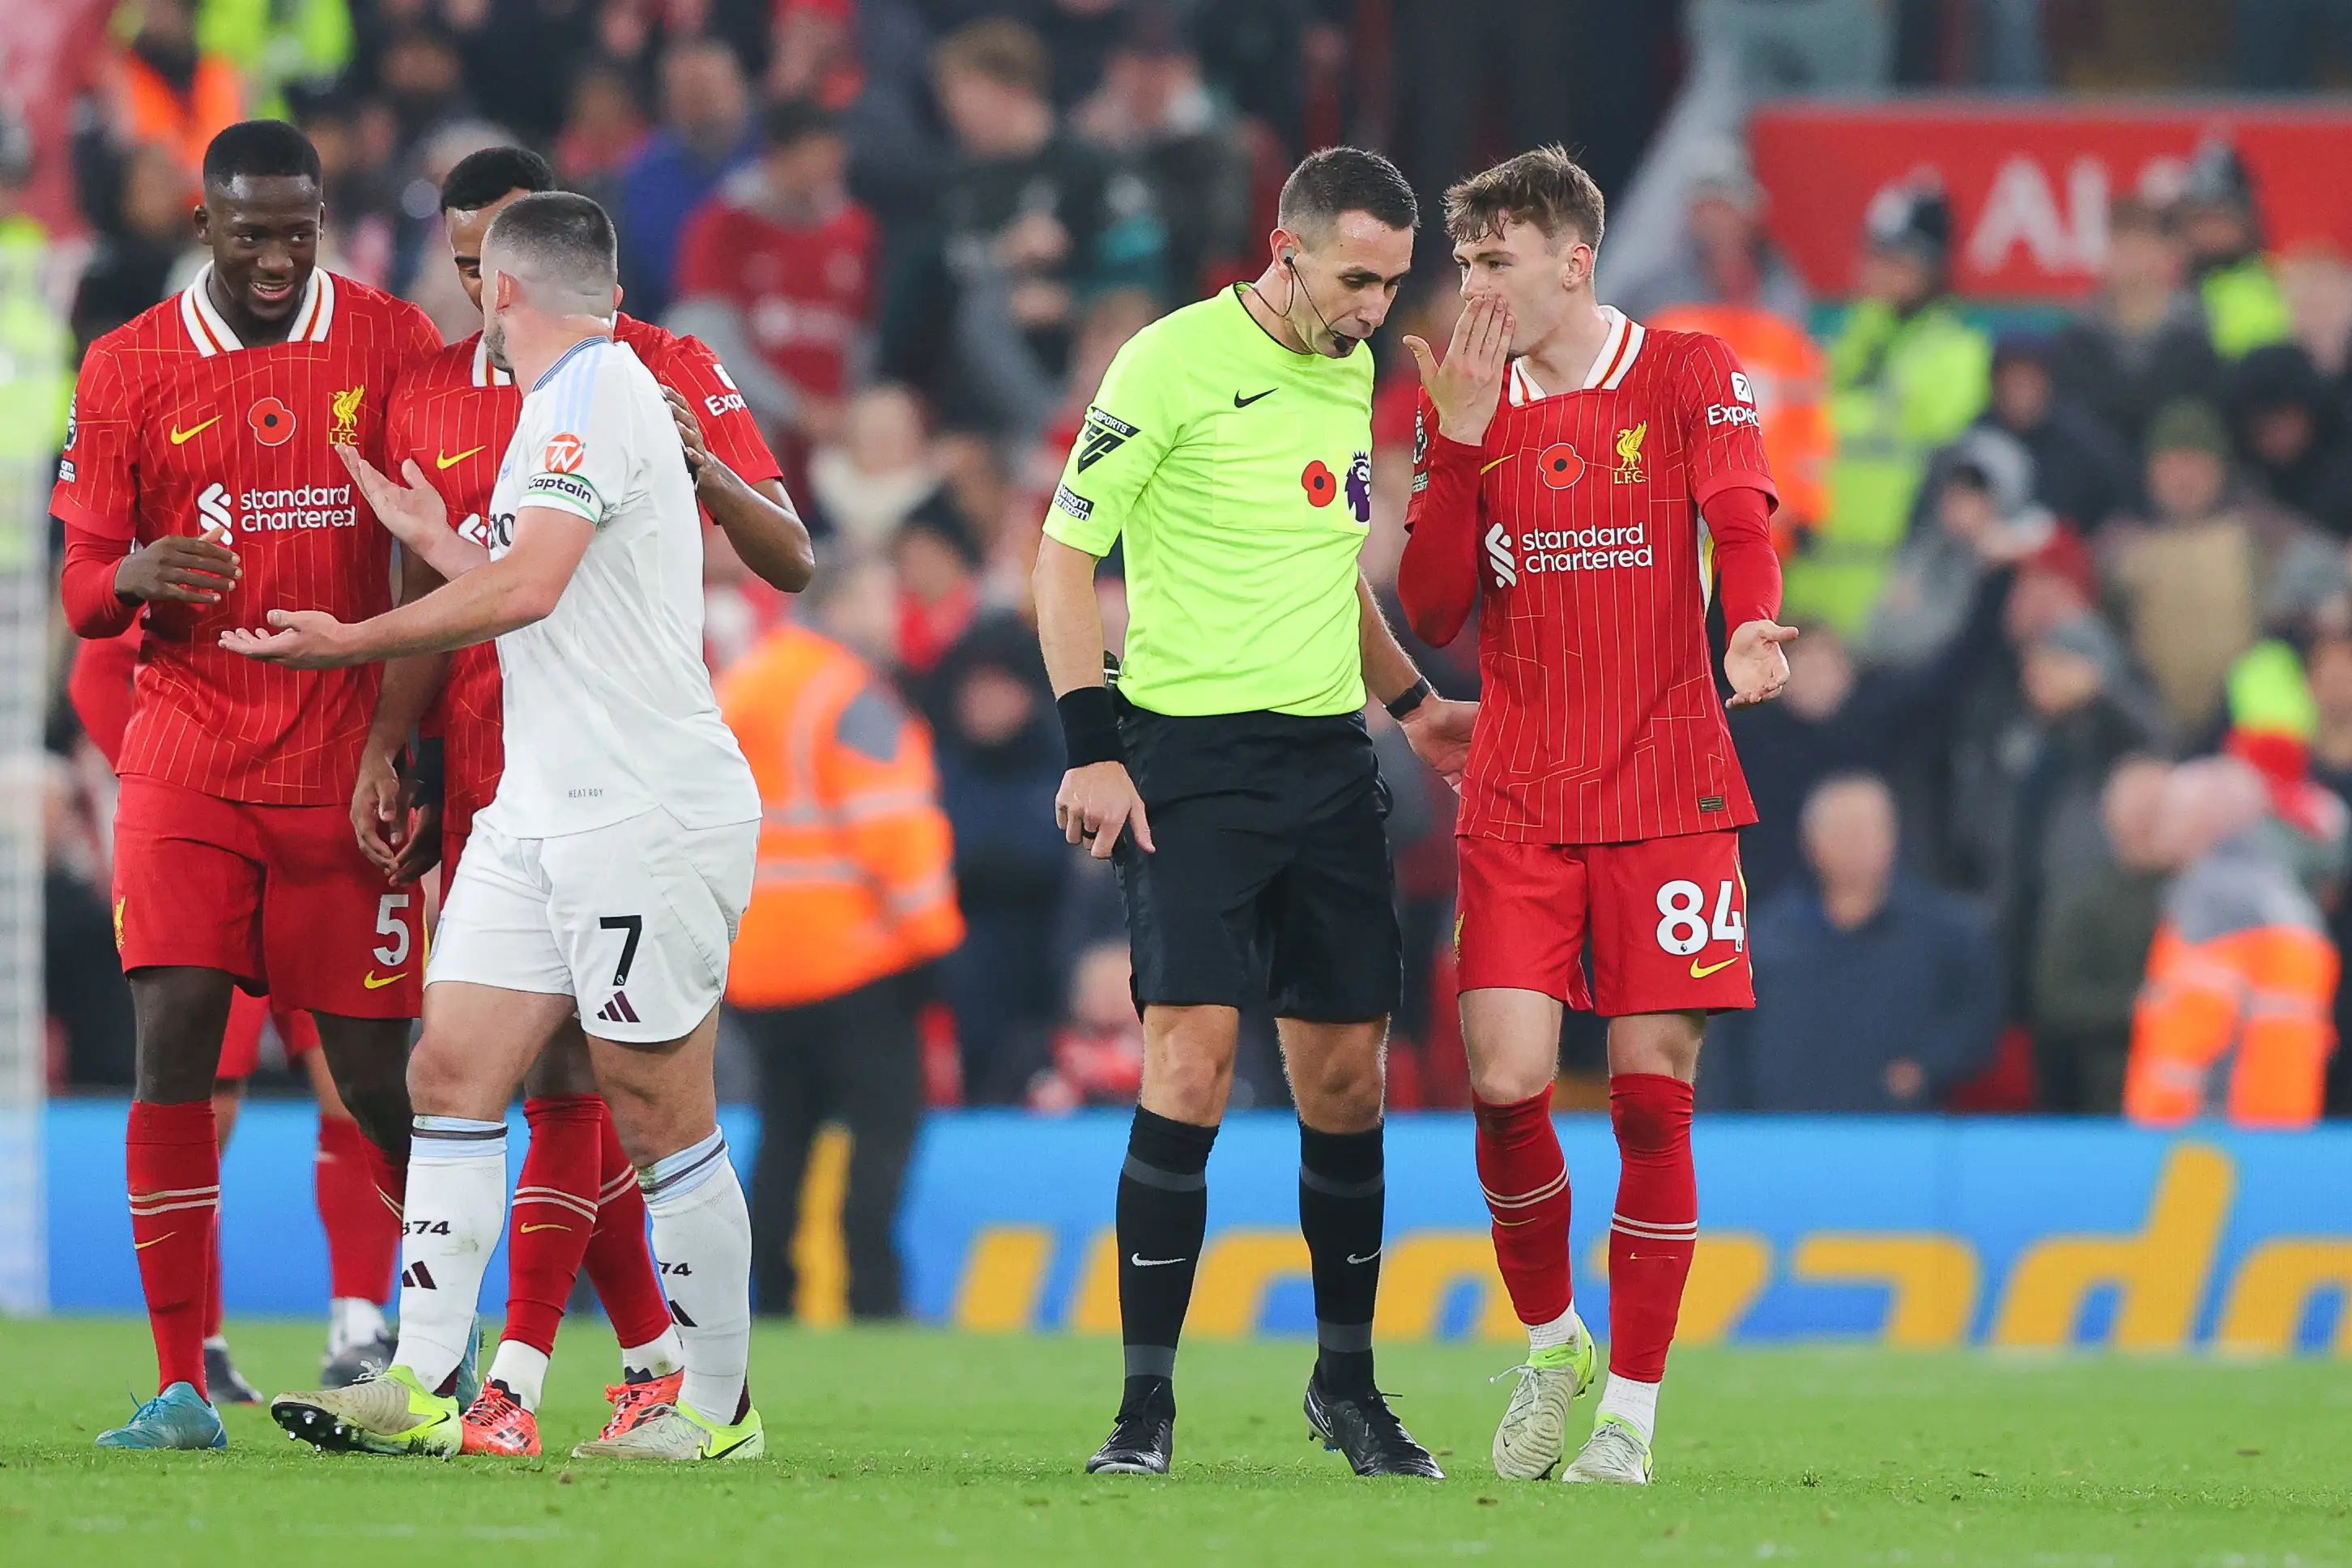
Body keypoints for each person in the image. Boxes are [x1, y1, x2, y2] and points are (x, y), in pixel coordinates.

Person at [243, 190, 769, 1464]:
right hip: (540, 806)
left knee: (656, 1110)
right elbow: (547, 565)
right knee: (453, 1071)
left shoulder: (591, 392)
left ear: (502, 293)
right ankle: (423, 1384)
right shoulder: (571, 399)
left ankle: (718, 1407)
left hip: (643, 806)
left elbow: (531, 592)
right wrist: (442, 536)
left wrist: (351, 645)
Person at [1033, 145, 1466, 1480]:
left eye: (1392, 283)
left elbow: (1327, 574)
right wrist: (1089, 746)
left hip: (1327, 766)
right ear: (1284, 250)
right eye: (1353, 277)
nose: (1374, 309)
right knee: (1191, 1066)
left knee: (1345, 1084)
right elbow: (1060, 557)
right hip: (1186, 763)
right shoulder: (1164, 361)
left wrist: (1411, 706)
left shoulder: (1350, 376)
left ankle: (1345, 1386)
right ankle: (1143, 1407)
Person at [1395, 144, 1789, 1487]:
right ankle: (1551, 1337)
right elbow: (1434, 608)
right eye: (1464, 265)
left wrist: (1746, 633)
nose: (1473, 289)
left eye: (1493, 261)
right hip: (1514, 788)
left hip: (1669, 784)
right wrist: (1448, 445)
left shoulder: (1685, 372)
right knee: (1502, 1082)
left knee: (1647, 1097)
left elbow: (1736, 518)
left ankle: (1627, 1407)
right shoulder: (1462, 398)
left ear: (1569, 262)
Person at [53, 120, 439, 1451]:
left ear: (321, 218)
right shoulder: (124, 367)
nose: (275, 256)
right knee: (168, 1057)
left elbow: (437, 564)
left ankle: (441, 1349)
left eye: (296, 229)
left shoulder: (389, 343)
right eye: (249, 230)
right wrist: (128, 581)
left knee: (379, 1086)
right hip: (188, 763)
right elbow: (80, 584)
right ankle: (177, 1383)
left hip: (342, 778)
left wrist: (410, 744)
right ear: (204, 222)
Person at [65, 626, 400, 1400]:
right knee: (202, 1097)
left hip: (324, 827)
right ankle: (202, 1347)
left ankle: (359, 1325)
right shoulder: (183, 532)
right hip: (208, 843)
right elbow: (95, 675)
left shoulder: (336, 530)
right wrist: (173, 786)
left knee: (357, 1079)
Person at [718, 595, 961, 1319]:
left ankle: (773, 1304)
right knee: (883, 1134)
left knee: (784, 1134)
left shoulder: (742, 681)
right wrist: (933, 947)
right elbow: (894, 830)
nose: (893, 618)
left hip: (757, 962)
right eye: (878, 599)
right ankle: (872, 1298)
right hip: (857, 959)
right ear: (841, 609)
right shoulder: (852, 695)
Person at [1706, 774, 2003, 1112]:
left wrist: (1926, 1066)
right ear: (1809, 842)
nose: (1853, 844)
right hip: (1780, 1132)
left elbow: (1978, 1017)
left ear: (1893, 836)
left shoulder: (1946, 935)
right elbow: (1723, 1046)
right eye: (1840, 832)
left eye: (1864, 831)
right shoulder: (1763, 939)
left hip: (1898, 1134)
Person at [1791, 185, 1991, 633]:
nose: (1876, 270)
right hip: (1807, 586)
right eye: (1874, 253)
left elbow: (1942, 472)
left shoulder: (1956, 351)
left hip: (1891, 596)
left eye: (1895, 258)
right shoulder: (1849, 335)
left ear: (1930, 268)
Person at [2126, 756, 2337, 1127]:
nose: (2164, 828)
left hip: (2208, 1136)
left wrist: (2159, 1124)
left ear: (2205, 823)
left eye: (2174, 814)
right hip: (2284, 1121)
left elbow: (2195, 1029)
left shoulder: (2212, 903)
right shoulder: (2282, 895)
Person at [671, 96, 878, 457]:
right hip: (753, 417)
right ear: (779, 156)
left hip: (838, 423)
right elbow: (707, 340)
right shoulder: (725, 226)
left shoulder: (856, 230)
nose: (829, 170)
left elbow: (863, 335)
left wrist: (846, 408)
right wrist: (793, 408)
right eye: (817, 156)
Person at [2031, 756, 2172, 1114]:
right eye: (2137, 807)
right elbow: (2057, 998)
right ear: (2108, 814)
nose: (2147, 819)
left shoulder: (2208, 897)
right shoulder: (2081, 899)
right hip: (2104, 1089)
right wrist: (2140, 1007)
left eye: (2158, 806)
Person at [2047, 194, 2218, 458]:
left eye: (2140, 244)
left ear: (2167, 252)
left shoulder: (2196, 337)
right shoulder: (2076, 340)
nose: (2131, 259)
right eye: (2121, 244)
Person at [2177, 140, 2292, 362]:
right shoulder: (2174, 289)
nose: (2210, 231)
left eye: (2221, 216)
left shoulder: (2279, 288)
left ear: (2246, 221)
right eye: (2200, 218)